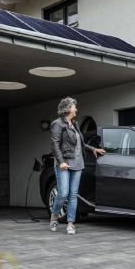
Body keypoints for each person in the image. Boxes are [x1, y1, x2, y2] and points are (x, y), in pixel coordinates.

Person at [49, 97, 105, 235]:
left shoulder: (74, 124)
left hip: (78, 164)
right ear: (67, 108)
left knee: (73, 194)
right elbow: (55, 144)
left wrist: (93, 149)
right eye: (75, 106)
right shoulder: (57, 124)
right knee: (63, 193)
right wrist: (61, 161)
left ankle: (70, 224)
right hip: (64, 163)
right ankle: (54, 216)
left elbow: (80, 144)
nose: (76, 109)